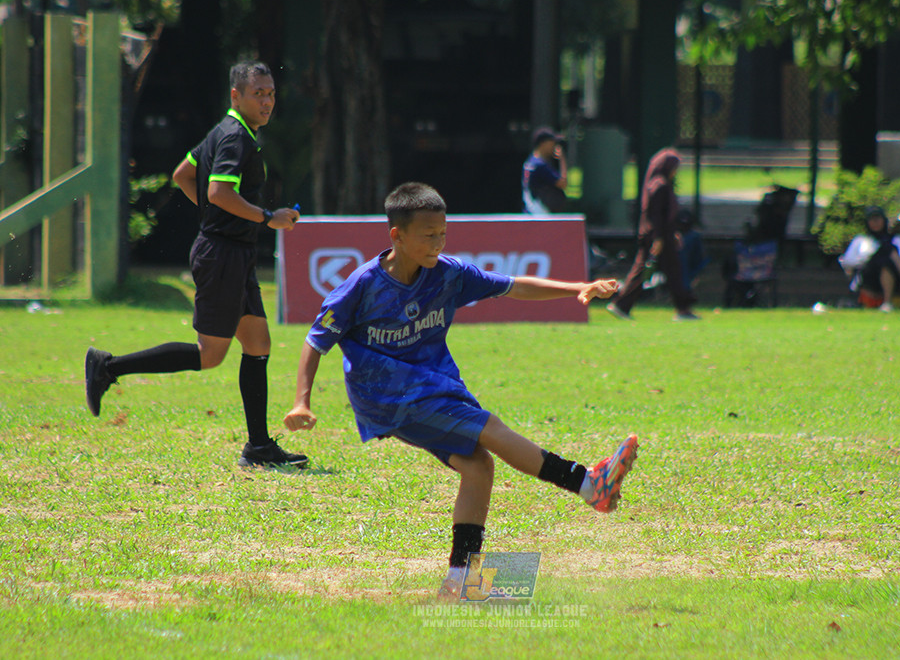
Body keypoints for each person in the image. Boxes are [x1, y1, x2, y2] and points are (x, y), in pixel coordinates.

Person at [282, 182, 639, 598]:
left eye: (443, 233)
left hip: (428, 385)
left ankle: (461, 583)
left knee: (478, 466)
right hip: (389, 392)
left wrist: (576, 287)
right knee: (490, 427)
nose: (437, 242)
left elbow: (513, 285)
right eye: (428, 235)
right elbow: (315, 340)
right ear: (396, 235)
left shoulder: (449, 274)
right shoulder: (363, 285)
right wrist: (301, 401)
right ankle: (587, 483)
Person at [84, 60, 307, 468]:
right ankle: (108, 366)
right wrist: (264, 217)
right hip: (222, 255)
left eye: (271, 93)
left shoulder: (227, 132)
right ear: (236, 95)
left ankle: (258, 447)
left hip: (232, 252)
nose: (267, 101)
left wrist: (217, 214)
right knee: (210, 355)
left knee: (258, 344)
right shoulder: (236, 137)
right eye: (258, 93)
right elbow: (219, 191)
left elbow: (183, 174)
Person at [606, 148, 698, 321]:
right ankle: (682, 309)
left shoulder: (660, 184)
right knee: (651, 271)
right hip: (657, 238)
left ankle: (622, 305)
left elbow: (665, 215)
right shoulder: (659, 186)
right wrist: (658, 238)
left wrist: (673, 233)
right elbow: (655, 215)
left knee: (658, 271)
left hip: (663, 236)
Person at [838, 206, 900, 312]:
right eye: (872, 220)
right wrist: (867, 257)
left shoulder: (896, 239)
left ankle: (892, 298)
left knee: (886, 259)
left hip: (894, 274)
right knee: (886, 251)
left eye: (878, 219)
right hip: (868, 275)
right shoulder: (861, 240)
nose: (875, 223)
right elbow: (848, 261)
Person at [521, 127, 567, 215]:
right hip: (539, 212)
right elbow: (563, 183)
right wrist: (562, 158)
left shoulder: (530, 161)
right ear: (543, 143)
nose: (554, 145)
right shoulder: (540, 165)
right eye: (552, 142)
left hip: (530, 209)